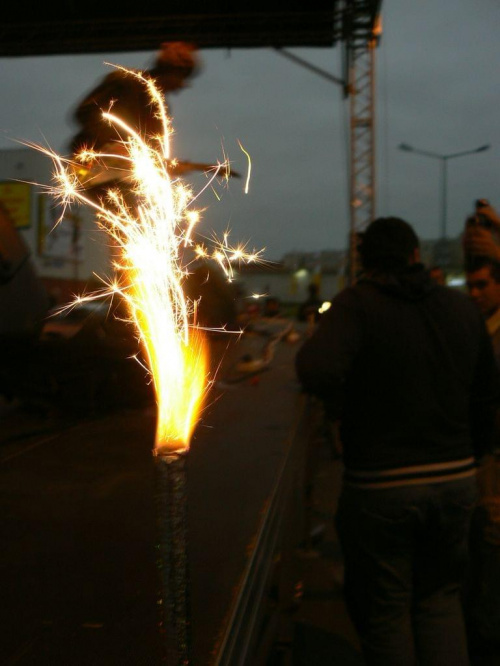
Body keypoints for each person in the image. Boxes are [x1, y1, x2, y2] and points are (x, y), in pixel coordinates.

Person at [295, 216, 500, 666]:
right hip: (456, 481)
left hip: (381, 485)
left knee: (386, 613)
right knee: (441, 602)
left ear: (364, 262)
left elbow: (315, 368)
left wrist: (345, 408)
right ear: (415, 256)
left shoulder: (357, 304)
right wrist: (474, 454)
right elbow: (489, 394)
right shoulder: (461, 308)